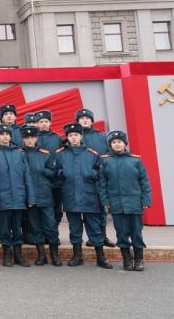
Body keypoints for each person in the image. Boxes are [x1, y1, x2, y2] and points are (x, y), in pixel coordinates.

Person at [56, 122, 112, 269]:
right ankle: (77, 256)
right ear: (67, 137)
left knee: (94, 227)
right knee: (74, 228)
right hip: (70, 195)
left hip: (89, 196)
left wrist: (92, 173)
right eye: (70, 135)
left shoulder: (92, 154)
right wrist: (61, 174)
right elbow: (54, 173)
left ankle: (101, 257)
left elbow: (101, 174)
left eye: (76, 135)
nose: (73, 138)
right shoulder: (60, 155)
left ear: (81, 136)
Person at [99, 131, 152, 272]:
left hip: (135, 202)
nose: (117, 144)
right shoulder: (105, 160)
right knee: (121, 233)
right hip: (116, 203)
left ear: (125, 144)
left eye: (119, 142)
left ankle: (139, 259)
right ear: (110, 145)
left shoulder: (135, 160)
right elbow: (102, 183)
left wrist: (146, 199)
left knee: (136, 232)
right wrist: (105, 201)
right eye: (114, 142)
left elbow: (144, 182)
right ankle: (127, 260)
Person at [0, 125, 36, 267]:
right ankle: (7, 255)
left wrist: (31, 197)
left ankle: (19, 256)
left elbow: (27, 176)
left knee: (18, 228)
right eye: (2, 134)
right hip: (2, 199)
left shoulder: (20, 153)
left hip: (19, 197)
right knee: (5, 229)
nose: (5, 136)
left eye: (7, 134)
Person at [20, 125, 62, 266]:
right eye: (27, 138)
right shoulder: (20, 154)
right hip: (29, 196)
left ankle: (54, 255)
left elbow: (54, 173)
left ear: (36, 138)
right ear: (23, 139)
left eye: (32, 137)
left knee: (50, 226)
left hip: (45, 195)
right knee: (35, 227)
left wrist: (43, 170)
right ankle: (41, 255)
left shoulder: (45, 154)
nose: (30, 140)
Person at [76, 108, 114, 247]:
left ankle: (103, 236)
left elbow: (109, 156)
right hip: (82, 179)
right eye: (81, 118)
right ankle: (92, 236)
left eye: (87, 118)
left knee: (101, 208)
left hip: (99, 178)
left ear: (92, 121)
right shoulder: (74, 137)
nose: (85, 120)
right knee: (87, 211)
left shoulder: (102, 137)